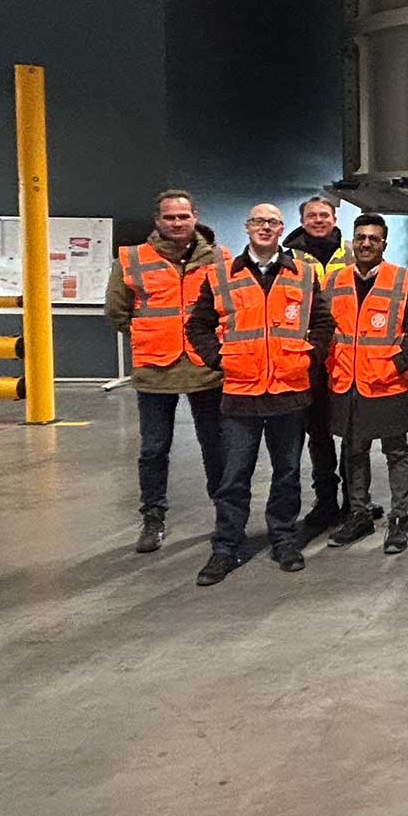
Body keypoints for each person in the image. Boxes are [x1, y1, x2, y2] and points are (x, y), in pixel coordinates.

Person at [186, 203, 334, 585]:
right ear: (247, 227)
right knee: (234, 475)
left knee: (287, 473)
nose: (265, 228)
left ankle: (284, 540)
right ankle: (225, 547)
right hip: (240, 391)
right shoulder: (220, 275)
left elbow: (322, 322)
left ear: (281, 228)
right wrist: (219, 358)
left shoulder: (302, 275)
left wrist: (309, 358)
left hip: (289, 390)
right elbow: (198, 325)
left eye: (272, 222)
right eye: (258, 222)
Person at [104, 189, 224, 553]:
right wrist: (151, 334)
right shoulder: (133, 259)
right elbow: (116, 311)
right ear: (157, 221)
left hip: (207, 368)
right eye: (169, 217)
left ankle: (226, 513)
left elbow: (232, 306)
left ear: (194, 217)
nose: (177, 223)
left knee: (216, 446)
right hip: (156, 369)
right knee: (154, 449)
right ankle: (153, 517)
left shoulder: (220, 258)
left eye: (183, 216)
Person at [322, 214, 408, 553]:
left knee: (396, 453)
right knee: (353, 451)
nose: (366, 243)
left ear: (384, 243)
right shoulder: (335, 281)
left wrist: (396, 364)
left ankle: (399, 519)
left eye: (373, 238)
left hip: (387, 383)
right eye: (361, 237)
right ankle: (359, 513)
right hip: (346, 381)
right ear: (352, 242)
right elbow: (323, 328)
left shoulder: (403, 279)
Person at [284, 194, 360, 531]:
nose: (318, 220)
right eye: (312, 215)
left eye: (324, 215)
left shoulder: (353, 252)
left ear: (334, 218)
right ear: (302, 221)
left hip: (348, 355)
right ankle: (326, 499)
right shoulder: (289, 259)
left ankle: (355, 501)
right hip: (310, 357)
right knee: (318, 433)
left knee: (350, 431)